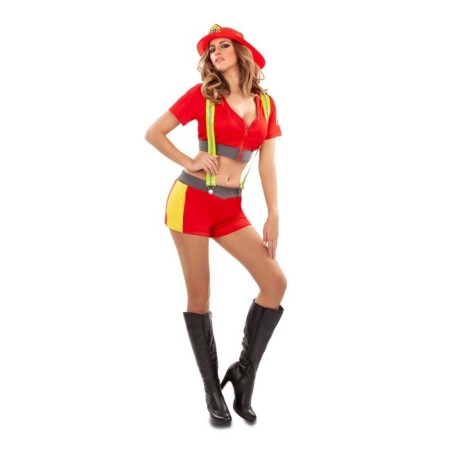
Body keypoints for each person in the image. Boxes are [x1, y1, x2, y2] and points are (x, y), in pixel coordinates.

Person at [145, 24, 287, 426]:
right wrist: (188, 160)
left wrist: (273, 213)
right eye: (211, 49)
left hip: (230, 208)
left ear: (242, 53)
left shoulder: (266, 104)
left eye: (224, 45)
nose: (215, 52)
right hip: (190, 202)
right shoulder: (202, 96)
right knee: (200, 297)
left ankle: (243, 374)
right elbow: (154, 133)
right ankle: (212, 388)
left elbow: (267, 163)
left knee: (275, 283)